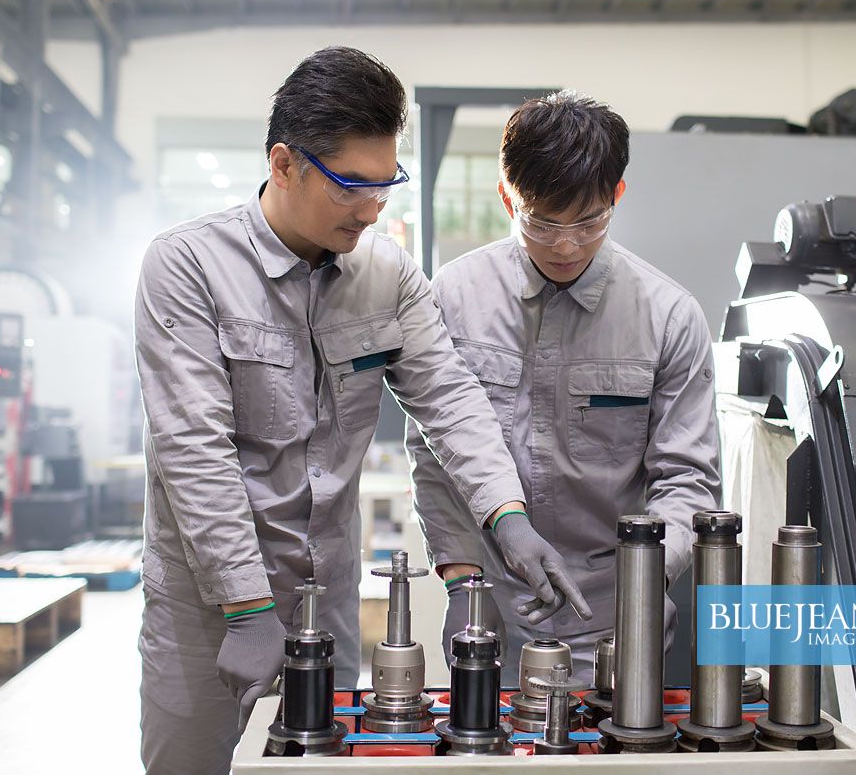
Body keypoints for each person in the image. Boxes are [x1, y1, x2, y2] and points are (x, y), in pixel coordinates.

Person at [134, 48, 589, 775]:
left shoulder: (387, 275)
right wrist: (246, 607)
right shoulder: (187, 267)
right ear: (284, 164)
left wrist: (508, 514)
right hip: (207, 608)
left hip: (328, 597)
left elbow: (450, 397)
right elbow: (195, 450)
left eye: (386, 185)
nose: (373, 209)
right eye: (352, 185)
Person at [407, 90, 721, 684]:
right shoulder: (454, 295)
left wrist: (642, 580)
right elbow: (432, 452)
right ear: (507, 197)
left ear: (617, 197)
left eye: (590, 220)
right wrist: (462, 582)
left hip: (614, 621)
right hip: (490, 611)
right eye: (543, 222)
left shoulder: (669, 316)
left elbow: (688, 481)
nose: (566, 245)